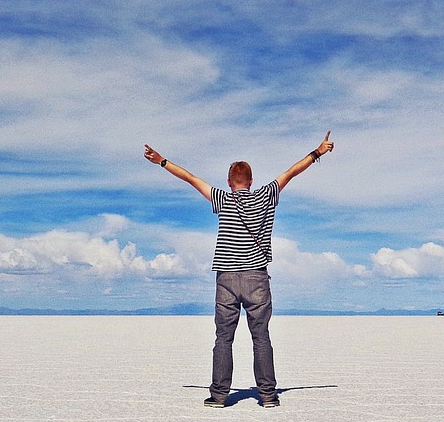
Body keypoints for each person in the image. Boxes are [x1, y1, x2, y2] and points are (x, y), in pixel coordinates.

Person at [143, 132, 335, 408]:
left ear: (229, 183)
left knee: (223, 338)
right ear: (252, 181)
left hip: (227, 279)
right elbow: (292, 171)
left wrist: (161, 161)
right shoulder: (267, 195)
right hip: (257, 276)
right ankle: (268, 396)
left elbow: (190, 178)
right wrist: (318, 152)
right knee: (261, 338)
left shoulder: (222, 199)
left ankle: (219, 396)